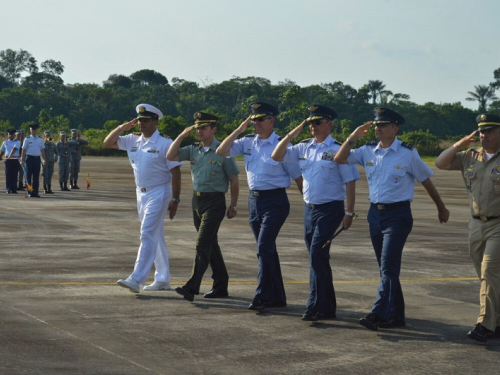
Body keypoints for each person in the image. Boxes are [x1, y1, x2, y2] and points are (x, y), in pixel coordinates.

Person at [334, 107, 449, 330]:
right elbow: (340, 158)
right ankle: (396, 317)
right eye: (376, 125)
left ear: (395, 128)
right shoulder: (367, 150)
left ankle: (377, 313)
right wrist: (352, 137)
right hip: (375, 214)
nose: (378, 128)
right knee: (386, 269)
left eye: (383, 125)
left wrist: (441, 207)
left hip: (398, 215)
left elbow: (426, 181)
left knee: (388, 267)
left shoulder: (408, 153)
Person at [272, 105, 360, 321]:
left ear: (329, 125)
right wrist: (293, 133)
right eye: (310, 122)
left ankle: (315, 306)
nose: (312, 126)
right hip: (309, 210)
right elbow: (276, 155)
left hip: (330, 209)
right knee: (319, 258)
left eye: (317, 122)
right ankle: (328, 307)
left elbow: (350, 182)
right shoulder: (303, 147)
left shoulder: (338, 149)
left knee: (316, 255)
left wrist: (349, 212)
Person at [216, 101, 303, 311]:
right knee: (267, 250)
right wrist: (239, 129)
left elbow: (298, 177)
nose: (256, 123)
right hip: (254, 201)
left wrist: (309, 204)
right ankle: (278, 297)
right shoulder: (247, 142)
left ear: (271, 120)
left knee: (263, 247)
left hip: (276, 201)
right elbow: (221, 150)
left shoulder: (283, 145)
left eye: (260, 119)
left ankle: (263, 295)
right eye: (253, 119)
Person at [435, 113, 500, 343]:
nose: (484, 135)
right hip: (475, 223)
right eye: (482, 131)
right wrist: (459, 145)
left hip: (498, 224)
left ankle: (485, 324)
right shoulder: (470, 156)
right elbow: (440, 163)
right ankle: (497, 319)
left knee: (489, 271)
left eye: (490, 131)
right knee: (487, 277)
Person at [103, 103, 182, 293]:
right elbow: (107, 143)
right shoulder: (133, 140)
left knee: (147, 233)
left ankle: (136, 278)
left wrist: (176, 199)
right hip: (141, 193)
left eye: (145, 121)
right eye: (139, 121)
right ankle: (163, 278)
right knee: (155, 234)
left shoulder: (165, 143)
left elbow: (176, 171)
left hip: (160, 191)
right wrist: (122, 128)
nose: (141, 124)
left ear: (155, 122)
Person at [167, 112, 240, 301]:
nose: (199, 131)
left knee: (202, 244)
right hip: (196, 201)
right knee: (210, 244)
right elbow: (171, 154)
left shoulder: (223, 151)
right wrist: (183, 135)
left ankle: (192, 287)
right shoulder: (193, 150)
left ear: (213, 129)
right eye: (197, 127)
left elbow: (234, 179)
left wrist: (233, 205)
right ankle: (221, 284)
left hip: (215, 202)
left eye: (203, 127)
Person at [20, 123, 46, 198]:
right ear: (30, 130)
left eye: (35, 130)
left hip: (37, 159)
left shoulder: (40, 139)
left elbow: (43, 150)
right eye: (32, 130)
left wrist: (44, 159)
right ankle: (30, 191)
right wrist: (22, 159)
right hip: (29, 159)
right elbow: (23, 150)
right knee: (28, 176)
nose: (34, 131)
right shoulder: (27, 139)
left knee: (36, 177)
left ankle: (35, 192)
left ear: (37, 130)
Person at [0, 128, 21, 194]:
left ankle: (14, 189)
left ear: (14, 135)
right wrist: (0, 156)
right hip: (7, 160)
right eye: (9, 134)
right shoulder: (5, 142)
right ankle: (8, 188)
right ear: (8, 135)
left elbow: (14, 149)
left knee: (14, 175)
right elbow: (2, 150)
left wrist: (10, 156)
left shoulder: (17, 142)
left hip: (14, 159)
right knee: (8, 175)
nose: (10, 135)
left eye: (12, 134)